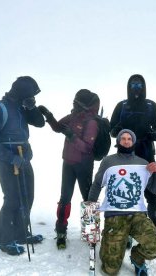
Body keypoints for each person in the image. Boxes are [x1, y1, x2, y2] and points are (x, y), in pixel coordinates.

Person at [0, 76, 45, 255]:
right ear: (21, 92)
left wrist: (31, 108)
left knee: (27, 196)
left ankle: (22, 233)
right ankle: (5, 240)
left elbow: (40, 123)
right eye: (30, 94)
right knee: (12, 198)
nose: (32, 97)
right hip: (6, 158)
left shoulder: (21, 106)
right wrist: (9, 157)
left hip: (23, 156)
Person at [88, 129, 156, 276]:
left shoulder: (143, 163)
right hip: (114, 215)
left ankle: (137, 257)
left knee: (155, 246)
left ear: (133, 142)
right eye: (123, 138)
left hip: (137, 214)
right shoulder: (108, 161)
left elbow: (154, 190)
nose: (126, 140)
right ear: (118, 142)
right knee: (110, 270)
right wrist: (90, 205)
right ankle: (110, 246)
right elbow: (97, 184)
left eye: (129, 138)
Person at [37, 89, 100, 249]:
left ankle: (90, 232)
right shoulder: (74, 116)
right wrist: (49, 116)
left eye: (76, 102)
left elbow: (86, 148)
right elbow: (58, 127)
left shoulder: (91, 122)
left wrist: (71, 136)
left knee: (88, 198)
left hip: (83, 165)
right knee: (65, 197)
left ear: (83, 105)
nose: (73, 103)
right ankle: (61, 231)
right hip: (68, 163)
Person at [109, 74, 156, 233]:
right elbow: (112, 130)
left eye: (139, 85)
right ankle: (125, 230)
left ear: (144, 86)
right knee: (125, 192)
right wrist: (116, 130)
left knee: (151, 194)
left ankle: (154, 231)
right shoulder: (122, 105)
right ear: (128, 87)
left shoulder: (151, 106)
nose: (136, 88)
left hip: (146, 154)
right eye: (133, 85)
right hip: (124, 156)